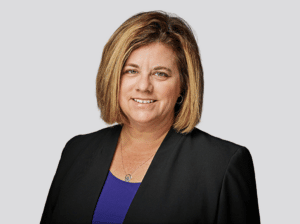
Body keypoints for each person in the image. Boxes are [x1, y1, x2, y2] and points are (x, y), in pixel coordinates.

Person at [40, 11, 260, 224]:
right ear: (112, 78)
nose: (144, 86)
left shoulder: (222, 165)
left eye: (160, 73)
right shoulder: (76, 151)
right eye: (131, 71)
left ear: (183, 84)